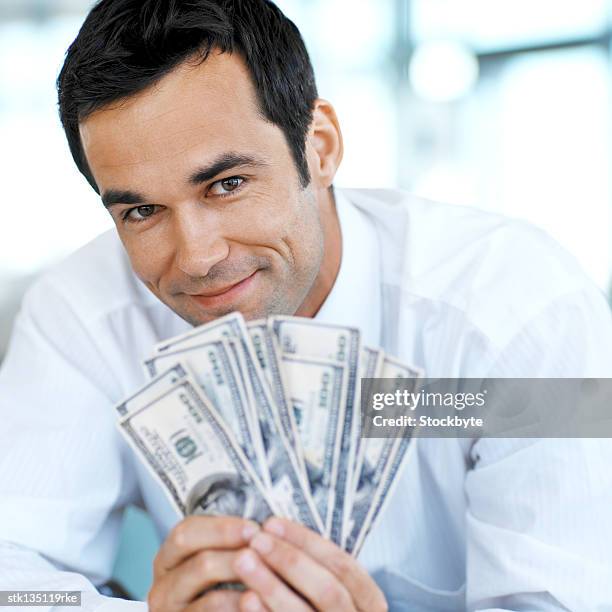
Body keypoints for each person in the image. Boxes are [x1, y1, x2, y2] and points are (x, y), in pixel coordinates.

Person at [1, 0, 611, 610]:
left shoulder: (521, 308)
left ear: (318, 148)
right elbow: (13, 577)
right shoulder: (81, 313)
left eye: (228, 184)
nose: (196, 257)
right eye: (141, 211)